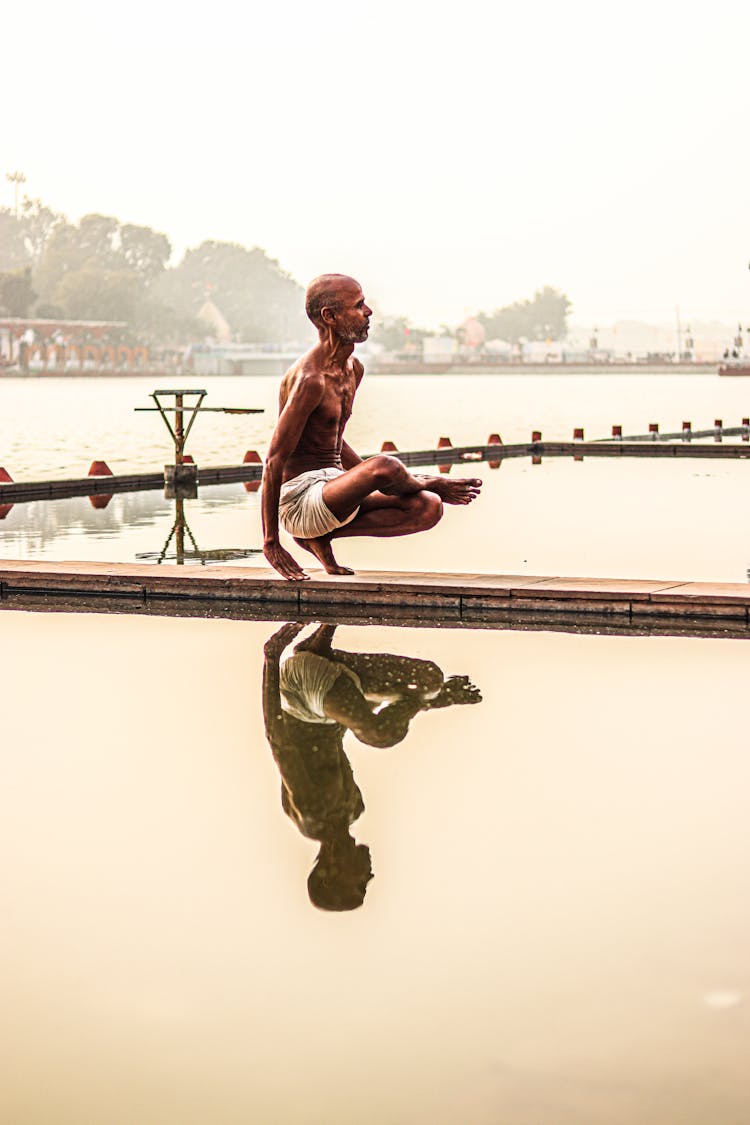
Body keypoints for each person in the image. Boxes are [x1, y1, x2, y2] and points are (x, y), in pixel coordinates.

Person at [261, 273, 482, 581]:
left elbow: (334, 439)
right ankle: (430, 481)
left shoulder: (353, 368)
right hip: (301, 502)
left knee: (428, 508)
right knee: (386, 466)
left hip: (334, 491)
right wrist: (271, 543)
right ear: (330, 316)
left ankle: (322, 539)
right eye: (359, 305)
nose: (368, 312)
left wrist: (364, 478)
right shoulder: (310, 379)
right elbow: (273, 461)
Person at [262, 621, 481, 910]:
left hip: (302, 695)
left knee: (381, 734)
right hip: (331, 703)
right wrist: (432, 700)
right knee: (428, 680)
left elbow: (278, 739)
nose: (370, 875)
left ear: (332, 874)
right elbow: (342, 732)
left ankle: (318, 648)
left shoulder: (312, 815)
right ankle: (319, 648)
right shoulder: (353, 808)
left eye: (361, 883)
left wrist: (272, 658)